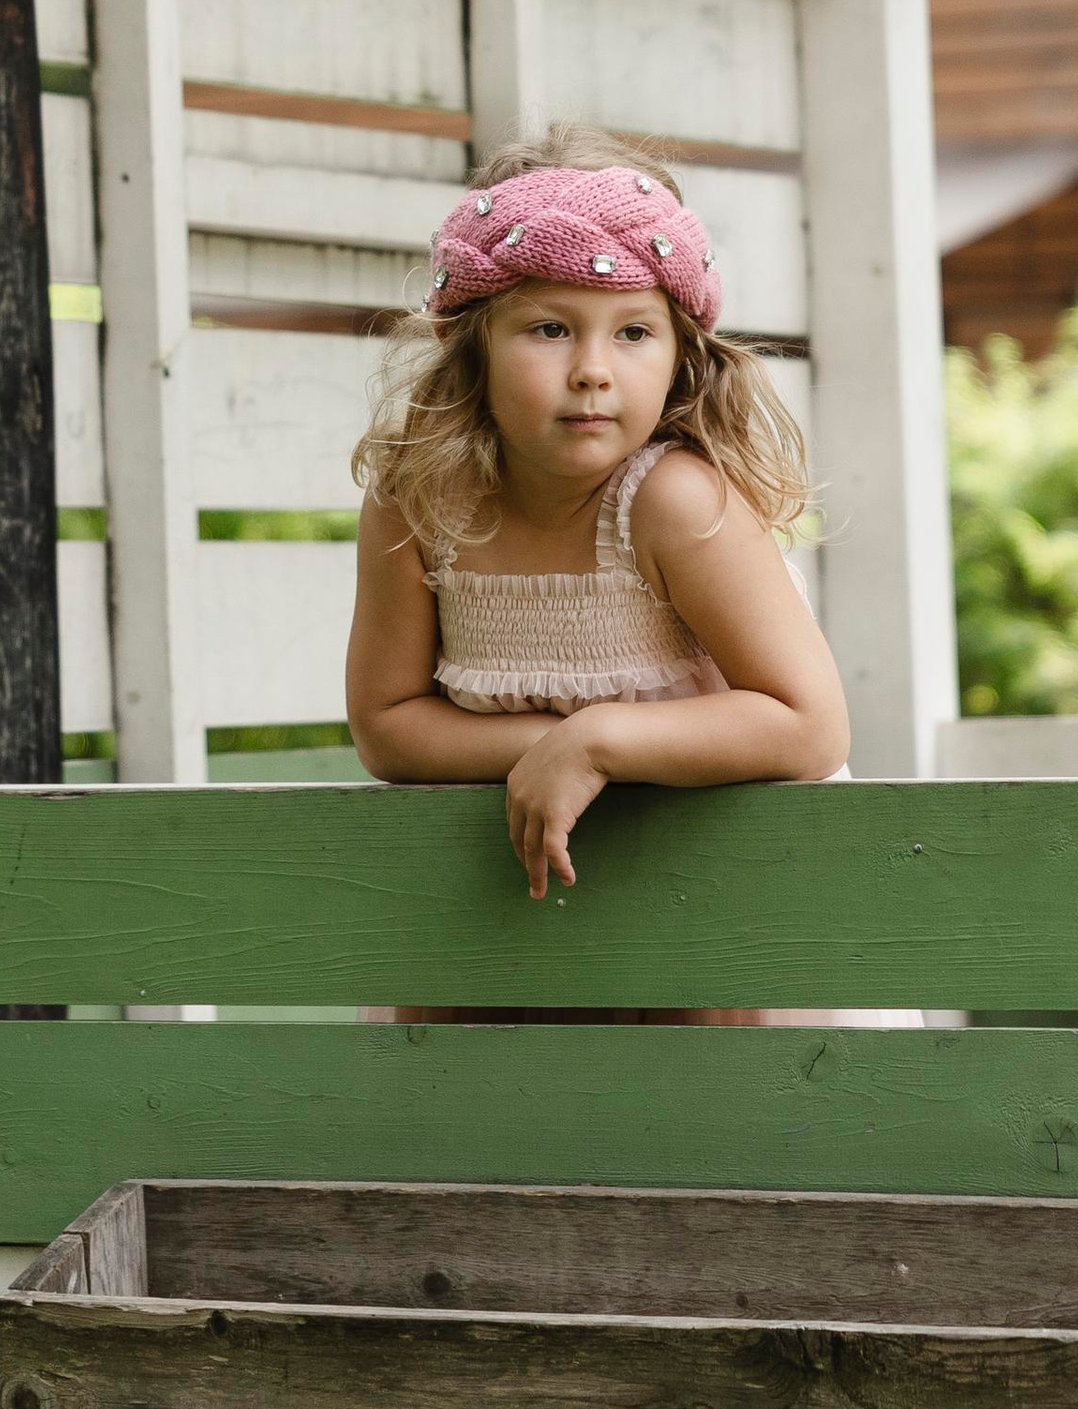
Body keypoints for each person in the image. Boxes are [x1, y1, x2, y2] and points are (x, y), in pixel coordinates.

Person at [345, 130, 848, 908]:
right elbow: (387, 724)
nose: (592, 369)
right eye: (549, 329)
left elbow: (810, 727)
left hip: (715, 899)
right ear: (469, 347)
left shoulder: (673, 505)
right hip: (517, 913)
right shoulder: (418, 504)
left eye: (634, 332)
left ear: (681, 352)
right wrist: (561, 750)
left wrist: (599, 742)